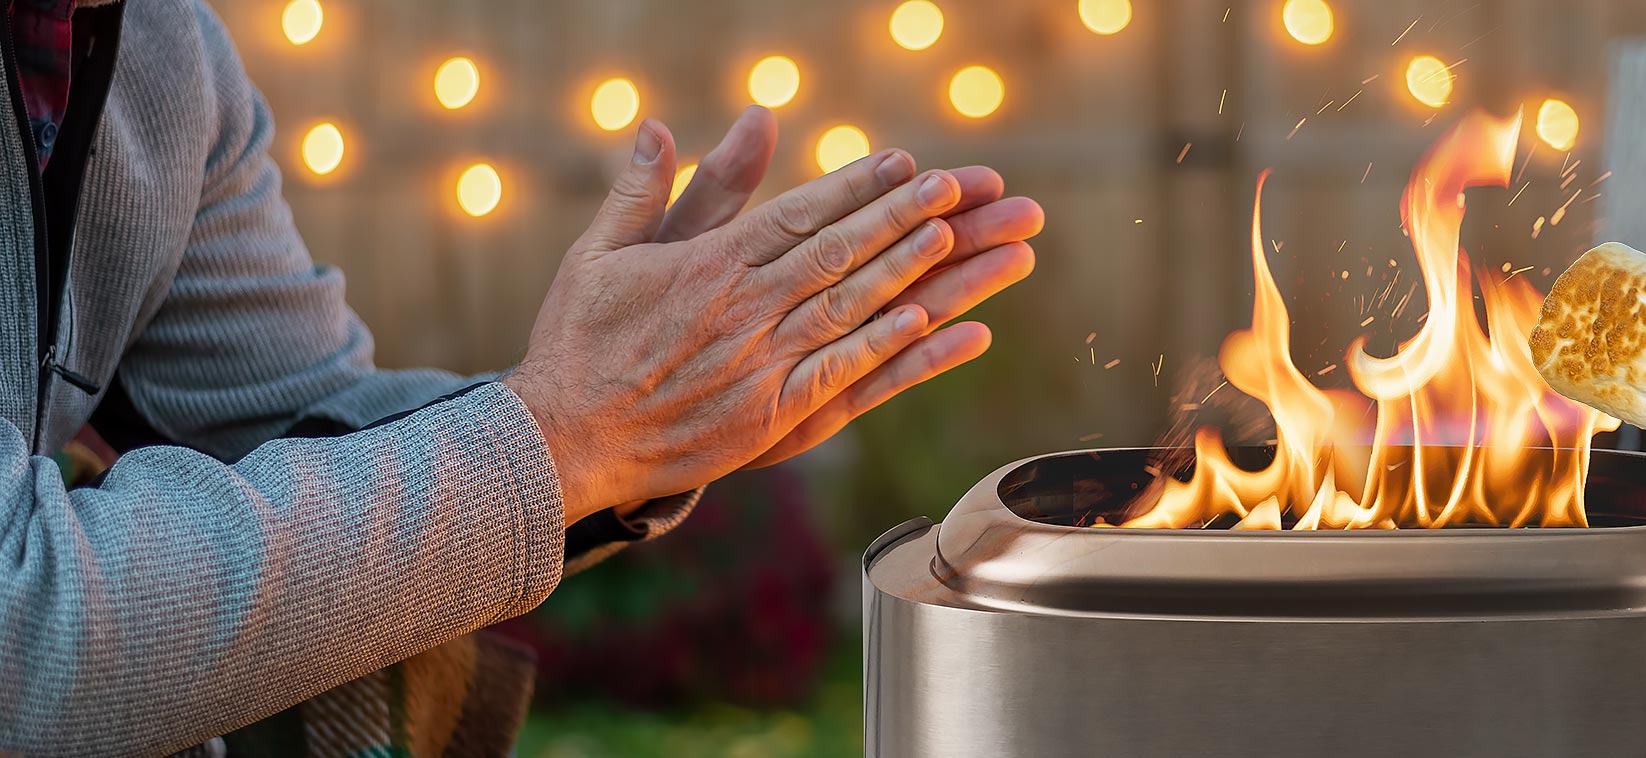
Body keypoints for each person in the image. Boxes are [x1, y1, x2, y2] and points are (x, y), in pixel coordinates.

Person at [0, 1, 1045, 755]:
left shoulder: (169, 52)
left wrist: (639, 433)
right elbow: (20, 632)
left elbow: (300, 430)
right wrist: (568, 433)